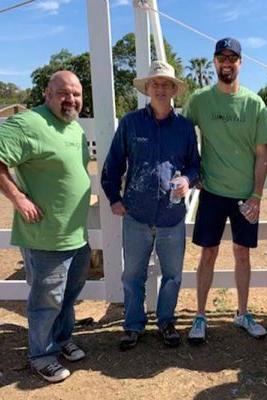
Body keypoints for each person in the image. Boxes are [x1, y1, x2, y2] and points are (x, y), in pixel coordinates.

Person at [0, 71, 91, 383]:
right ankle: (41, 355)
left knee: (69, 296)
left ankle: (61, 340)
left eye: (76, 94)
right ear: (47, 94)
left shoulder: (73, 126)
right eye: (63, 93)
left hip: (75, 234)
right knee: (46, 301)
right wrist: (17, 197)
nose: (71, 100)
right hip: (45, 236)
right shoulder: (28, 123)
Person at [101, 60, 200, 350]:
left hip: (171, 216)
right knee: (132, 275)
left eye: (165, 84)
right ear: (146, 88)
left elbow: (195, 165)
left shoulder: (184, 127)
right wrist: (114, 198)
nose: (159, 88)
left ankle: (167, 322)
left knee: (172, 276)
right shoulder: (131, 123)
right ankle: (133, 325)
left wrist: (188, 180)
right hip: (137, 214)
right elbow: (113, 164)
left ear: (173, 90)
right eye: (154, 83)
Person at [183, 37, 267, 343]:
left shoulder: (254, 103)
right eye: (221, 57)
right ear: (214, 62)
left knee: (242, 255)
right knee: (207, 254)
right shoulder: (199, 100)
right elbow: (182, 137)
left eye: (232, 58)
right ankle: (199, 316)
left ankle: (243, 313)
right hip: (211, 191)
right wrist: (190, 172)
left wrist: (257, 195)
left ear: (240, 63)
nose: (227, 63)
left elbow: (263, 153)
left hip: (244, 195)